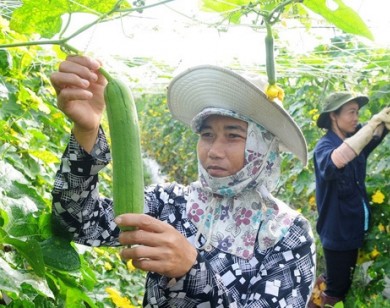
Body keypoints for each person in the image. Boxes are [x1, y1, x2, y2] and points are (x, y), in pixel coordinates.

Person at [50, 55, 316, 307]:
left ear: (265, 146)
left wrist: (193, 269)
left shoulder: (288, 234)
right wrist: (87, 130)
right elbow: (77, 222)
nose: (214, 151)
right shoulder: (173, 203)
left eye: (233, 136)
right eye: (207, 134)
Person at [312, 92, 390, 307]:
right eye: (351, 112)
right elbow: (336, 160)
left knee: (336, 277)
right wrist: (371, 124)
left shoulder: (354, 142)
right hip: (337, 230)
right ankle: (322, 302)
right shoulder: (325, 147)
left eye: (358, 112)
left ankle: (314, 300)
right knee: (339, 288)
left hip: (352, 227)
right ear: (334, 116)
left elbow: (372, 138)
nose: (356, 118)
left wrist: (382, 121)